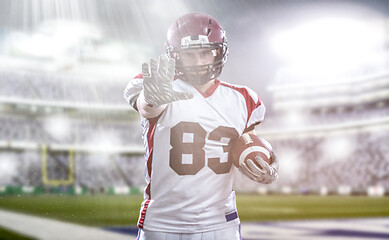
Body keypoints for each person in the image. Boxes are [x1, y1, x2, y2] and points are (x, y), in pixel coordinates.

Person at [124, 12, 278, 240]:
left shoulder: (244, 99)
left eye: (205, 53)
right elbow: (148, 108)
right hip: (163, 223)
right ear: (175, 56)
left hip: (220, 223)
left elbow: (247, 142)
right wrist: (154, 97)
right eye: (189, 55)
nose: (198, 62)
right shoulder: (159, 84)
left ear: (218, 51)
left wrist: (265, 161)